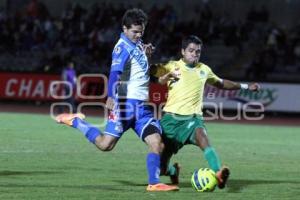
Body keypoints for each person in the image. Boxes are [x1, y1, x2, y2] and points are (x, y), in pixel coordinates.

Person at [55, 8, 178, 192]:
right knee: (106, 145)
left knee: (157, 143)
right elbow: (115, 74)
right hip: (124, 106)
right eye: (135, 31)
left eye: (141, 31)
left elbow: (143, 74)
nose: (138, 35)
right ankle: (76, 121)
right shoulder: (122, 47)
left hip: (142, 109)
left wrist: (158, 69)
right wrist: (111, 96)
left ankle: (154, 183)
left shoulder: (138, 45)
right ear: (125, 28)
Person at [152, 35, 260, 189]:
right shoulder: (172, 66)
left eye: (198, 51)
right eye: (191, 50)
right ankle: (172, 170)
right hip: (170, 121)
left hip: (193, 119)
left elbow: (222, 83)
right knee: (161, 168)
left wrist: (245, 87)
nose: (194, 54)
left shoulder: (204, 69)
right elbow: (154, 73)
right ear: (183, 51)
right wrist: (147, 57)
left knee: (203, 137)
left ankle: (218, 173)